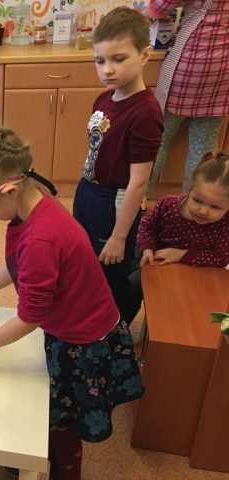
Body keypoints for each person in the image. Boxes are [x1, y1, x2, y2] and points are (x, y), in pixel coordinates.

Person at [0, 127, 145, 480]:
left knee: (63, 421)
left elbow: (29, 317)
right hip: (71, 323)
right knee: (46, 403)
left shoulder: (42, 238)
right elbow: (18, 265)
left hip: (81, 338)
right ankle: (34, 451)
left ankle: (63, 471)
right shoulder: (32, 202)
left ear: (9, 190)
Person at [73, 7, 164, 325]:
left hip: (114, 201)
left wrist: (118, 236)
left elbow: (138, 181)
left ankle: (116, 328)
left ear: (144, 55)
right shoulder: (104, 99)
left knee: (111, 268)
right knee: (86, 259)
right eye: (100, 61)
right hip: (88, 191)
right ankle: (90, 314)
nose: (107, 69)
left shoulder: (145, 113)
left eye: (118, 59)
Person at [129, 151, 229, 319]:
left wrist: (182, 255)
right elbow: (147, 227)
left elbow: (221, 257)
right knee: (126, 281)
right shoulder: (168, 204)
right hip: (154, 254)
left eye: (215, 207)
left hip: (194, 269)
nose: (203, 211)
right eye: (197, 200)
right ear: (190, 190)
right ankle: (120, 326)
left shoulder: (226, 223)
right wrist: (147, 248)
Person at [144, 0, 229, 197]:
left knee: (159, 134)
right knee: (204, 141)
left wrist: (147, 14)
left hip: (192, 61)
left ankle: (140, 196)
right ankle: (192, 201)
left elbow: (158, 9)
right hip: (224, 69)